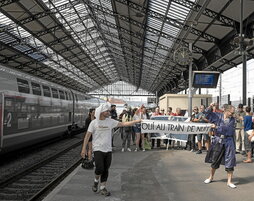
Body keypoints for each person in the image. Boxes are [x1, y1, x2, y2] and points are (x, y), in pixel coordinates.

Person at [81, 102, 141, 196]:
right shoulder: (94, 123)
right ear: (102, 112)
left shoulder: (110, 121)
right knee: (100, 168)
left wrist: (135, 121)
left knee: (106, 169)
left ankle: (103, 188)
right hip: (97, 149)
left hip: (108, 149)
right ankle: (96, 181)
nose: (109, 112)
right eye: (107, 111)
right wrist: (84, 149)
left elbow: (123, 124)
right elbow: (87, 136)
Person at [204, 103, 237, 189]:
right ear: (226, 111)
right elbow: (207, 114)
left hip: (229, 141)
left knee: (230, 161)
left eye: (233, 113)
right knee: (215, 159)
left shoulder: (232, 120)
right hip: (218, 141)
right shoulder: (217, 116)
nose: (232, 114)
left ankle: (229, 181)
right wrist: (210, 106)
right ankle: (210, 177)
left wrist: (216, 127)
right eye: (231, 112)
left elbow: (228, 129)